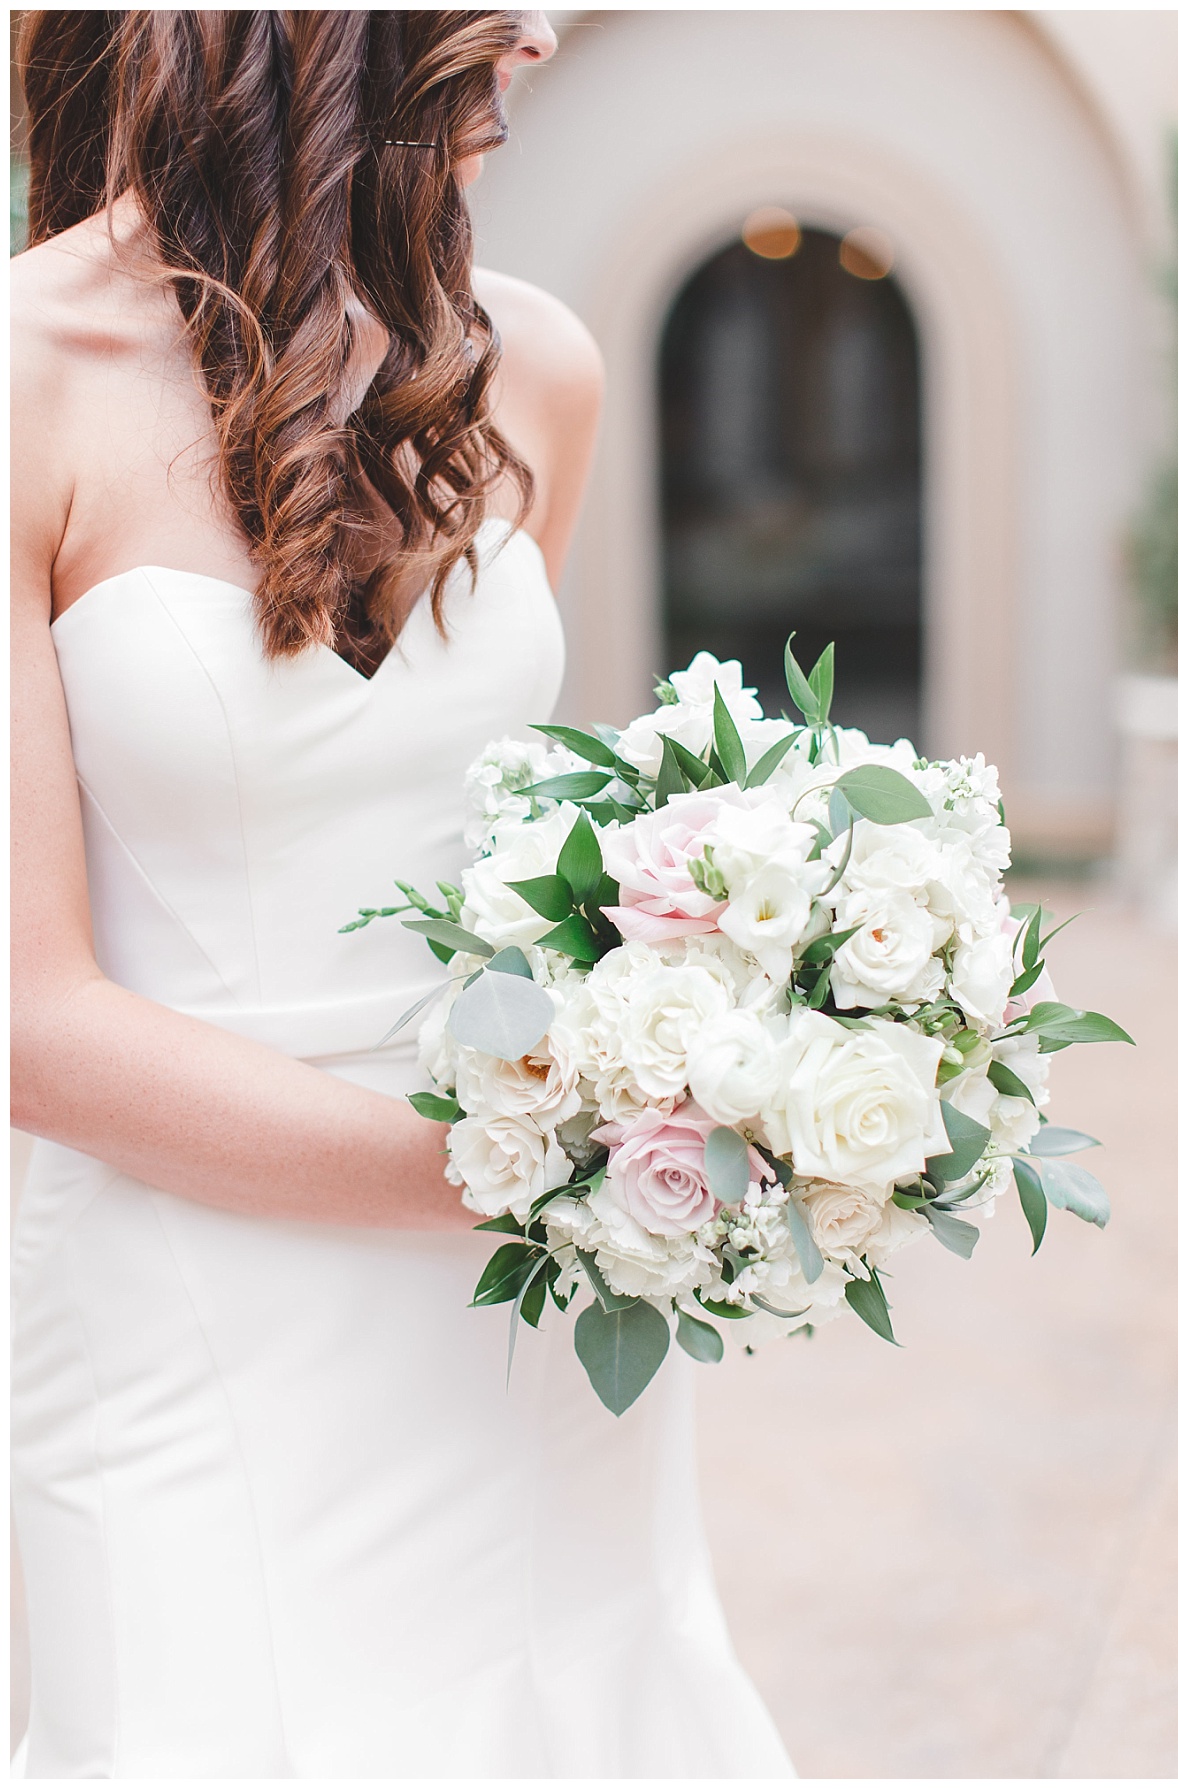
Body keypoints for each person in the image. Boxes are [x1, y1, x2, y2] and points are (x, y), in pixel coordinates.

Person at [11, 11, 795, 1777]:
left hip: (527, 1321)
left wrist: (734, 1021)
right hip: (188, 1305)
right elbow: (24, 1021)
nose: (533, 30)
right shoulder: (21, 378)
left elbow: (494, 857)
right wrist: (533, 1172)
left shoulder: (541, 368)